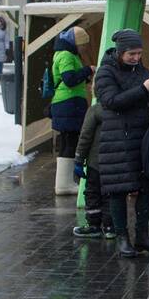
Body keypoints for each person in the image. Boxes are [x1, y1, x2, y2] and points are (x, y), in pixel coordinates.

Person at [94, 29, 149, 258]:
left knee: (147, 186)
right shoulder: (106, 72)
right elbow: (111, 101)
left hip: (143, 137)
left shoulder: (140, 69)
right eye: (131, 54)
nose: (136, 58)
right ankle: (122, 238)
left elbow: (146, 99)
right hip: (118, 139)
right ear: (120, 52)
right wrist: (143, 89)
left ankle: (142, 235)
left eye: (138, 53)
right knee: (118, 190)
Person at [51, 26, 94, 196]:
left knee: (68, 141)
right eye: (82, 45)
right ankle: (64, 184)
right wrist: (87, 70)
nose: (83, 48)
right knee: (70, 141)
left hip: (69, 103)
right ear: (75, 42)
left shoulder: (66, 54)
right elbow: (69, 79)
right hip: (68, 103)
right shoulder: (66, 55)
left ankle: (64, 182)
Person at [72, 102, 113, 239]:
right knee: (111, 194)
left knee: (93, 193)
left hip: (95, 161)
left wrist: (78, 159)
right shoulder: (122, 108)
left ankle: (94, 225)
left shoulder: (95, 110)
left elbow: (85, 136)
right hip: (115, 162)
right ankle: (110, 226)